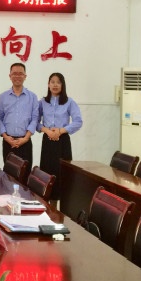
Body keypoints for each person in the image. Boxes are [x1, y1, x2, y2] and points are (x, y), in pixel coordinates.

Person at [38, 72, 83, 201]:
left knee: (62, 174)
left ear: (62, 85)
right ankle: (46, 205)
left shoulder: (69, 102)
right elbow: (35, 122)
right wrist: (47, 131)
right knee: (47, 174)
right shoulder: (42, 102)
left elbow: (78, 122)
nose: (55, 85)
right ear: (48, 84)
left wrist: (60, 131)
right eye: (52, 82)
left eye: (58, 82)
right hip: (47, 141)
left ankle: (60, 207)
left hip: (62, 141)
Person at [0, 62, 39, 174]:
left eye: (20, 74)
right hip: (8, 142)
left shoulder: (32, 97)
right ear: (10, 76)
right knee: (8, 175)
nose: (17, 76)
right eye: (14, 73)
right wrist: (5, 137)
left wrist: (26, 138)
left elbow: (35, 118)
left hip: (25, 142)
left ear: (25, 76)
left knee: (25, 174)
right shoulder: (3, 96)